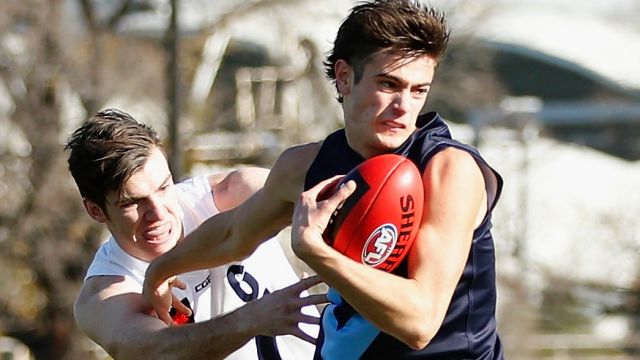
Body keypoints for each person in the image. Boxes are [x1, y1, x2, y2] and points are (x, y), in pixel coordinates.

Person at [144, 0, 505, 359]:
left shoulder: (447, 170)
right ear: (345, 77)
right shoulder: (305, 167)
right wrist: (160, 271)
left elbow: (420, 322)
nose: (404, 106)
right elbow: (234, 233)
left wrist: (314, 251)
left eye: (418, 90)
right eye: (389, 84)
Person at [66, 108, 325, 360]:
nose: (158, 212)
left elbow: (334, 189)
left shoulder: (233, 195)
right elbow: (157, 352)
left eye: (164, 187)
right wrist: (252, 319)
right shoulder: (106, 293)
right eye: (132, 202)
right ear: (96, 211)